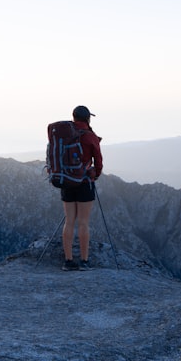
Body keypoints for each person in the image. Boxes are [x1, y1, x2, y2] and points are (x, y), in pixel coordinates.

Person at [62, 105, 103, 271]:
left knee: (69, 221)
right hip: (85, 182)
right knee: (83, 223)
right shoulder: (89, 136)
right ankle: (84, 261)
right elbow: (98, 160)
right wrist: (96, 174)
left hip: (66, 181)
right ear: (87, 118)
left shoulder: (65, 134)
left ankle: (68, 261)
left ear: (73, 117)